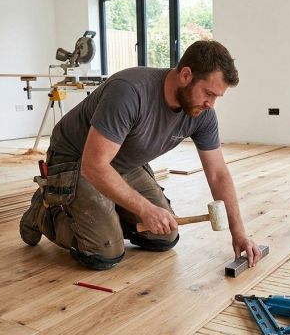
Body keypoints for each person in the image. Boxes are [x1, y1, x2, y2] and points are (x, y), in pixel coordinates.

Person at [19, 40, 261, 270]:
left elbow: (218, 174)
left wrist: (239, 232)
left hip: (124, 162)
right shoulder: (130, 91)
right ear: (186, 75)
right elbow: (94, 166)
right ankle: (42, 211)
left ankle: (106, 212)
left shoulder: (202, 113)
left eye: (217, 97)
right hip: (78, 160)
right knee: (104, 252)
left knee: (164, 235)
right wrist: (145, 209)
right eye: (208, 93)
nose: (211, 104)